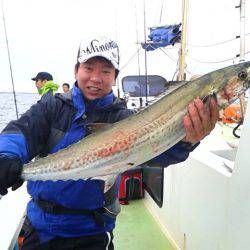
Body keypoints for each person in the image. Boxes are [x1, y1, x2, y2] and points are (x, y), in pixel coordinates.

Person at [0, 36, 219, 250]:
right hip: (39, 227)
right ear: (76, 70)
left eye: (105, 71)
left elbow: (158, 153)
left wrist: (186, 141)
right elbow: (21, 132)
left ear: (115, 77)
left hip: (91, 233)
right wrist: (6, 156)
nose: (96, 78)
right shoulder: (51, 107)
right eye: (89, 68)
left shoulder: (125, 119)